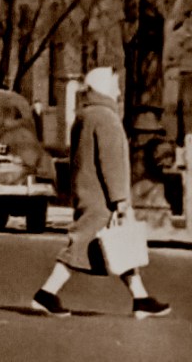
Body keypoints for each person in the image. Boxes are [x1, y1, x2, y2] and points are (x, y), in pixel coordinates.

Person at [30, 67, 170, 318]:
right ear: (103, 88)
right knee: (82, 244)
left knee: (119, 244)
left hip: (88, 190)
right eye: (114, 86)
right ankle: (45, 294)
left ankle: (141, 298)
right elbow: (112, 162)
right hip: (102, 198)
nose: (118, 91)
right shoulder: (107, 118)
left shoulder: (85, 116)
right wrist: (120, 200)